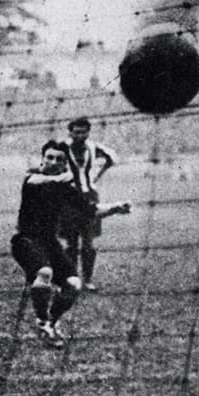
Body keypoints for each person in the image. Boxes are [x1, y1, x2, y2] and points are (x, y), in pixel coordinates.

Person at [12, 141, 130, 347]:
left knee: (74, 285)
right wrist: (66, 178)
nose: (53, 162)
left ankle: (52, 323)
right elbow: (38, 181)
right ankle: (41, 322)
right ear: (42, 158)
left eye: (59, 159)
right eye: (49, 157)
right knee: (45, 272)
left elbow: (90, 210)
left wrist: (115, 207)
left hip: (50, 242)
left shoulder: (66, 187)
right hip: (25, 240)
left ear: (65, 163)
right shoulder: (32, 177)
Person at [59, 117, 119, 291]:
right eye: (76, 132)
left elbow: (113, 158)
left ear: (88, 132)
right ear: (70, 132)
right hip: (67, 199)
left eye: (83, 131)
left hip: (89, 197)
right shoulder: (61, 148)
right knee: (70, 243)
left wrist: (96, 176)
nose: (80, 135)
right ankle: (70, 279)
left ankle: (87, 279)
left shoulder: (94, 147)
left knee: (88, 242)